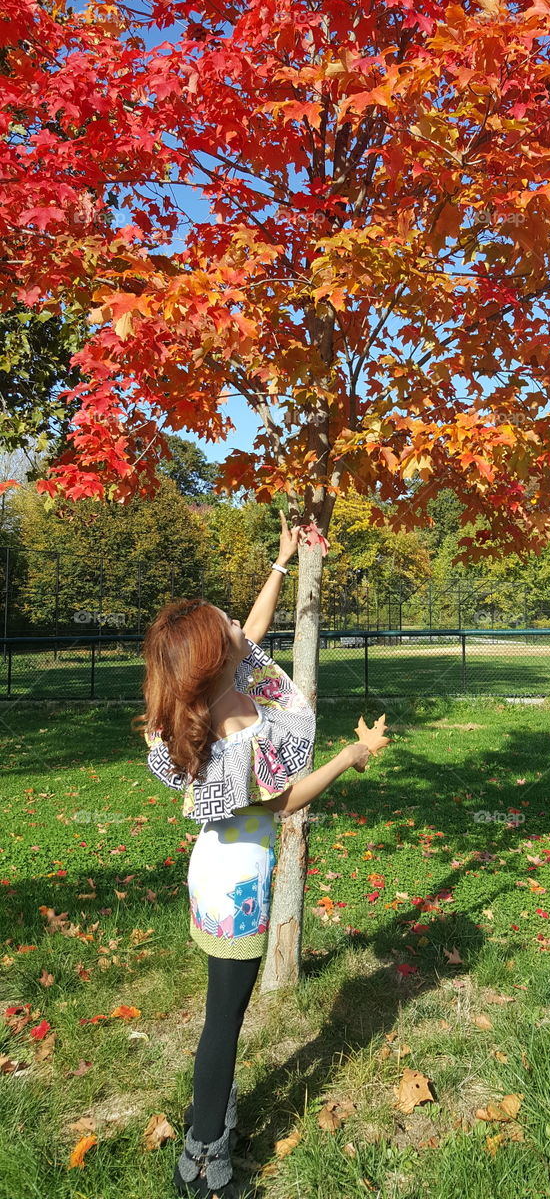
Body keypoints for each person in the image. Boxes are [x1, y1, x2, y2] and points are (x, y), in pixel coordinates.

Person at [136, 509, 388, 1198]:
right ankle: (203, 1160)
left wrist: (279, 563)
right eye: (229, 642)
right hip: (241, 887)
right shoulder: (242, 733)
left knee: (220, 1013)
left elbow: (247, 633)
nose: (241, 642)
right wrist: (351, 755)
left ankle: (208, 1117)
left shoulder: (176, 721)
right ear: (214, 663)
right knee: (222, 1022)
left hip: (208, 875)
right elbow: (284, 803)